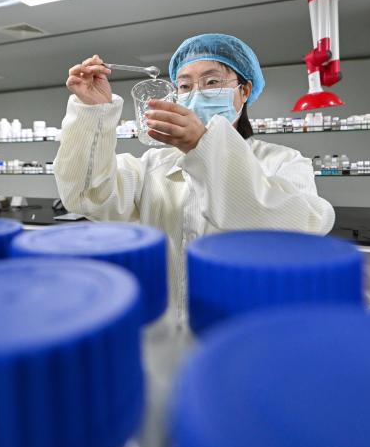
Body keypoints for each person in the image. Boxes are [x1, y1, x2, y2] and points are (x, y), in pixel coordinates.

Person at [54, 33, 335, 325]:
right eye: (185, 86)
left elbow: (303, 228)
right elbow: (87, 195)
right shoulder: (152, 165)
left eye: (212, 82)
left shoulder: (283, 162)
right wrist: (95, 111)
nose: (196, 94)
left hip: (245, 332)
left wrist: (203, 146)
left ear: (244, 90)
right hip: (165, 334)